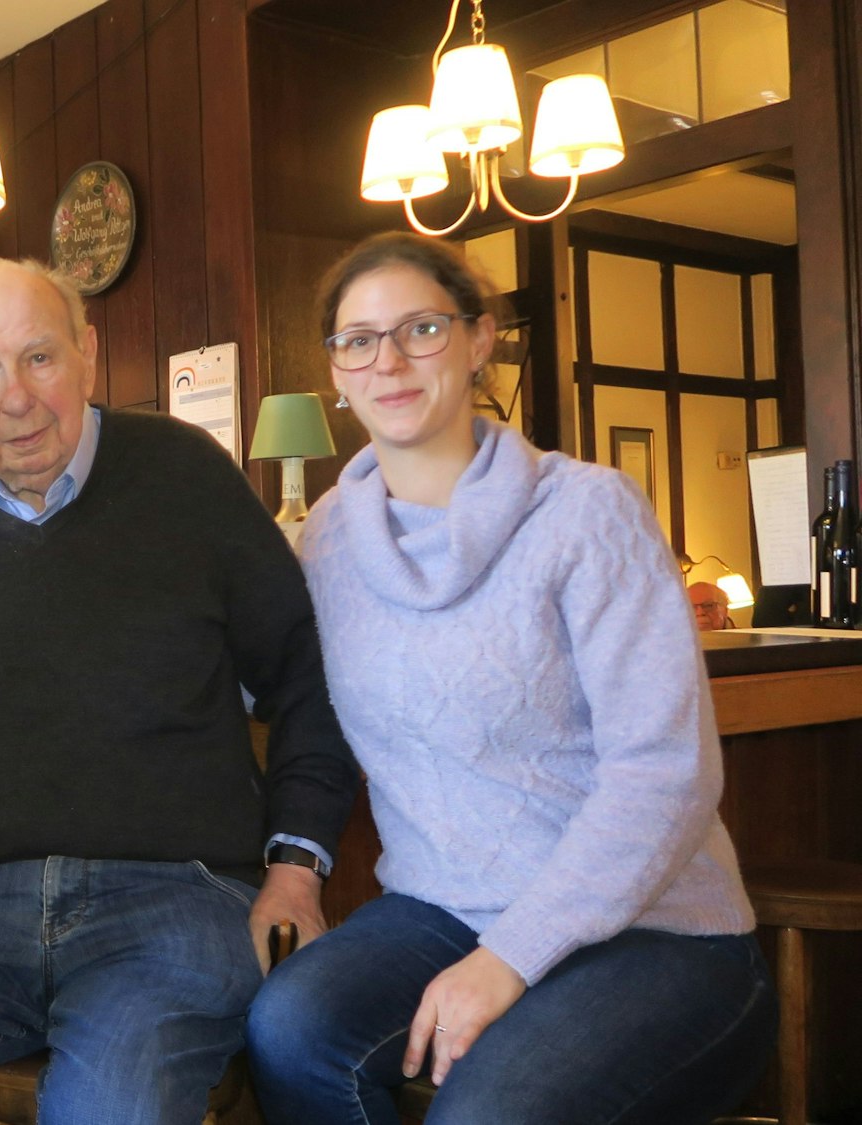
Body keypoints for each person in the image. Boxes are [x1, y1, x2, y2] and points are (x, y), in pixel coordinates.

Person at [0, 257, 360, 1124]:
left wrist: (296, 866)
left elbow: (308, 675)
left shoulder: (186, 475)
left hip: (175, 903)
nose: (17, 397)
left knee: (112, 1108)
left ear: (86, 351)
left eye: (39, 357)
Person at [245, 232, 776, 1124]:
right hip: (438, 906)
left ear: (481, 338)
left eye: (421, 328)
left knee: (487, 1115)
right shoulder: (326, 537)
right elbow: (270, 687)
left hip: (653, 926)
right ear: (336, 370)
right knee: (289, 1029)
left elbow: (666, 774)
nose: (390, 360)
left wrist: (510, 958)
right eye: (359, 339)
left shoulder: (588, 510)